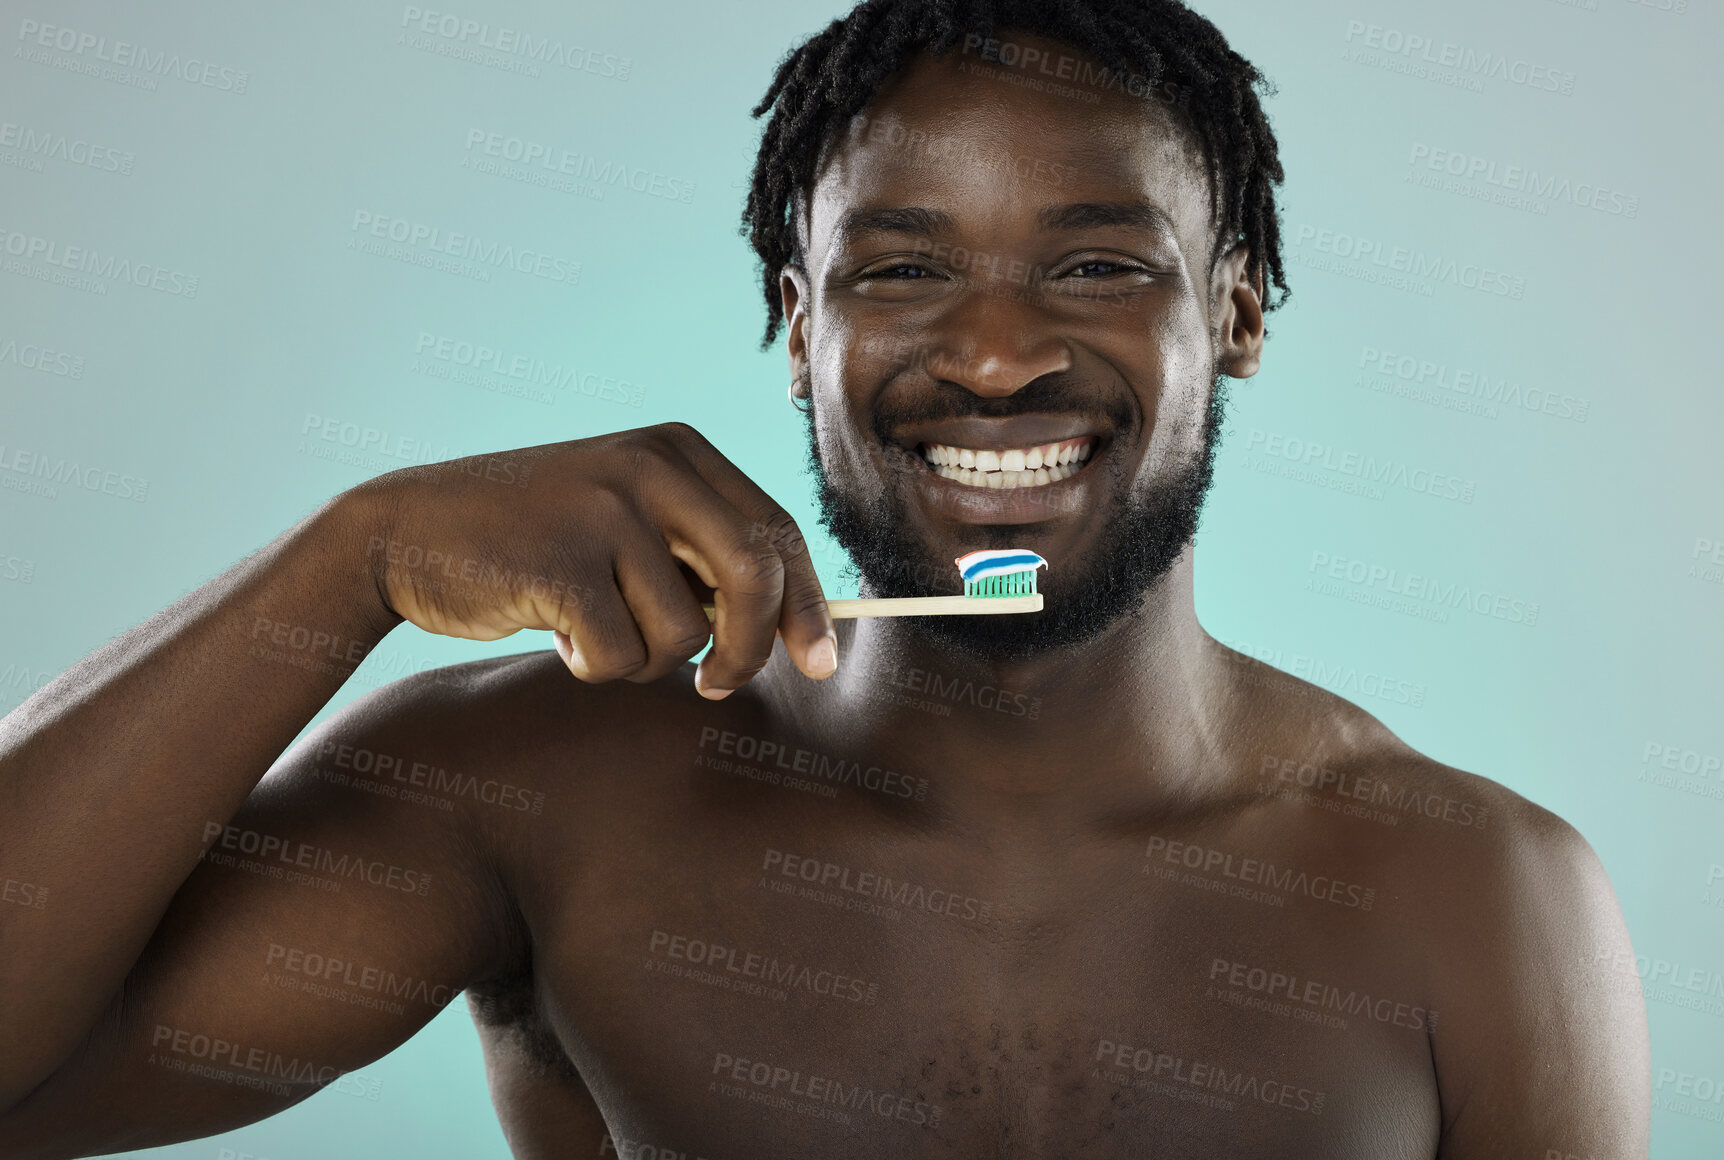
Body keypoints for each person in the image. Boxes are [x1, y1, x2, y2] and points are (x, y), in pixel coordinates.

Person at [0, 2, 1649, 1157]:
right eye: (905, 268)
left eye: (1097, 263)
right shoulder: (536, 788)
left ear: (1233, 313)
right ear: (801, 324)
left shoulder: (1477, 894)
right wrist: (344, 555)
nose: (997, 353)